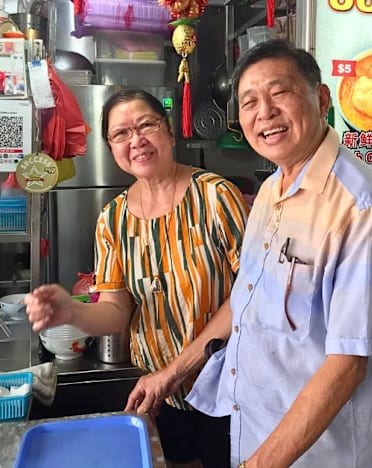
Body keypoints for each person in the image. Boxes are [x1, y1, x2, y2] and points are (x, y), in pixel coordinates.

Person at [185, 39, 372, 467]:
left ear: (322, 98)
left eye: (280, 93)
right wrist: (171, 374)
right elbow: (245, 299)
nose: (265, 112)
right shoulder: (272, 189)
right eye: (249, 101)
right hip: (256, 433)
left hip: (321, 455)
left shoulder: (364, 207)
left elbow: (348, 365)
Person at [24, 89, 250, 468]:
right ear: (111, 147)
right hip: (160, 393)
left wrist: (174, 372)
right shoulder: (112, 220)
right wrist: (70, 312)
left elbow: (250, 292)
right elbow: (115, 310)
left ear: (169, 132)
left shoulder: (216, 196)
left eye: (147, 125)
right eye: (122, 134)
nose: (137, 140)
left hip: (229, 388)